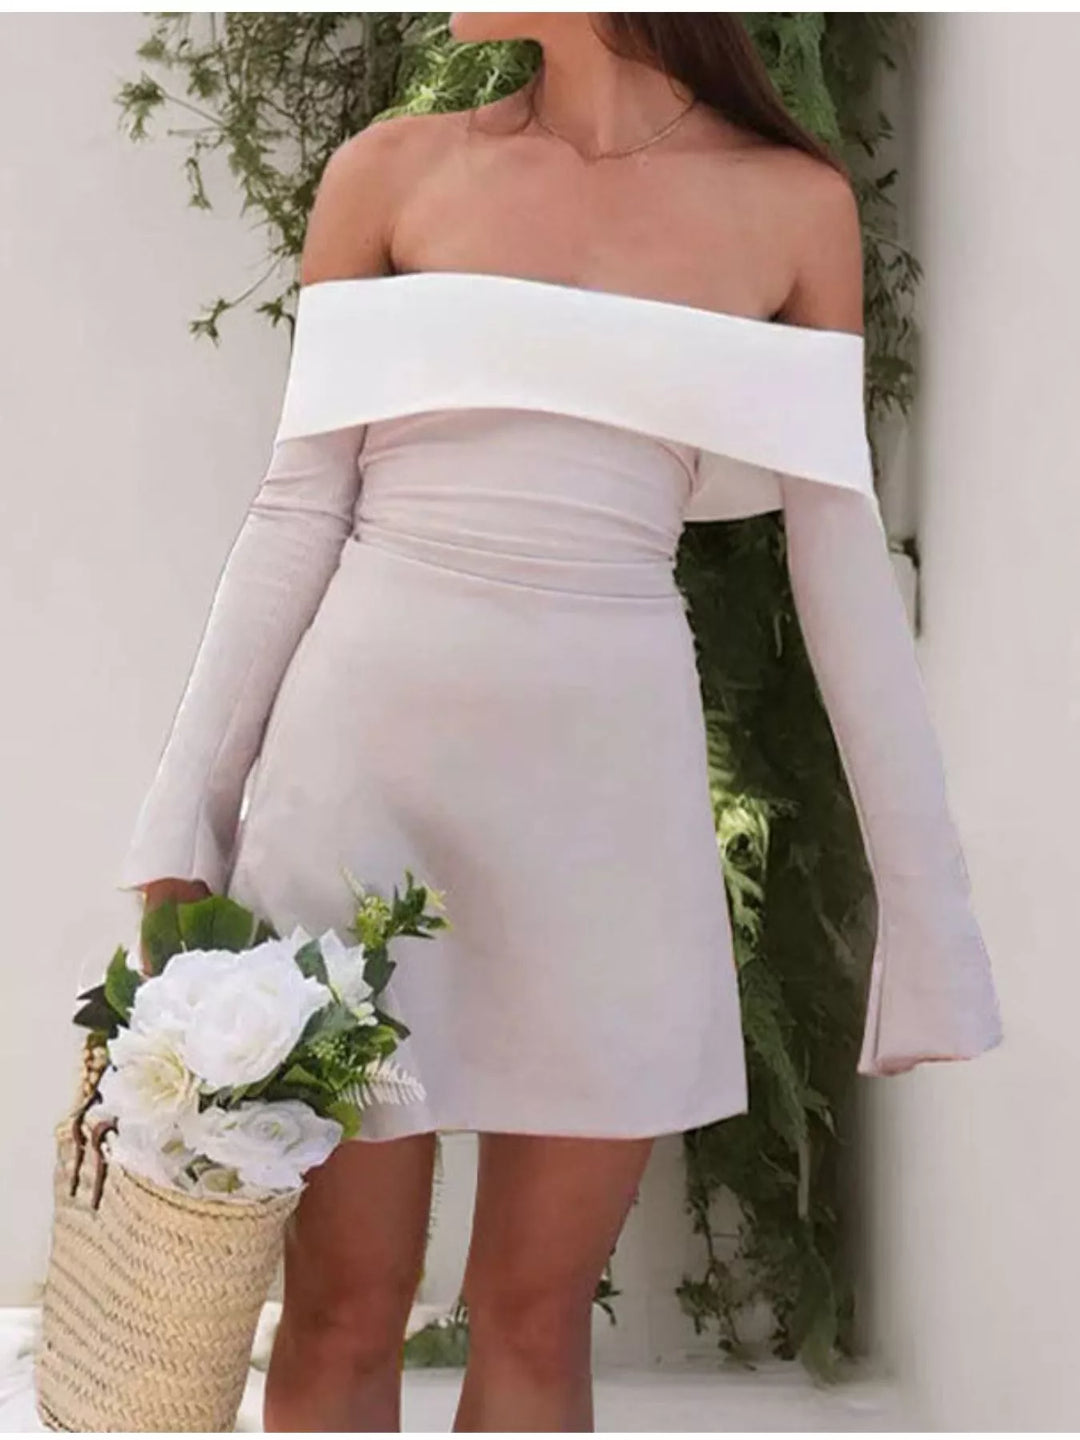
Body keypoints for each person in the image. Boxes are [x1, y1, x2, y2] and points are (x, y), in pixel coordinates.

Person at [116, 13, 1003, 1433]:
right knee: (343, 1309)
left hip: (607, 814)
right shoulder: (388, 173)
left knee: (534, 1320)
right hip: (358, 788)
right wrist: (182, 819)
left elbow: (842, 586)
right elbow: (296, 513)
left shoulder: (793, 207)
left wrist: (930, 916)